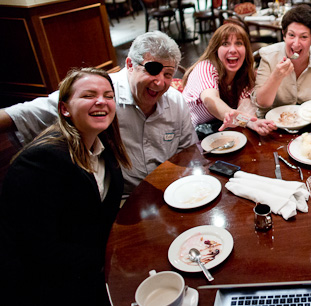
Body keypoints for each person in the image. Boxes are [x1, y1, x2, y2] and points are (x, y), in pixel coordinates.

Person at [0, 31, 197, 194]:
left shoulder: (174, 100)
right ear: (129, 65)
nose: (160, 82)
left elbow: (188, 148)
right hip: (119, 201)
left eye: (168, 74)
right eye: (153, 70)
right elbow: (24, 113)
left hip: (169, 192)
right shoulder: (100, 96)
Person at [0, 68, 131, 305]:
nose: (101, 101)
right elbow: (37, 248)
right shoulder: (41, 161)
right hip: (53, 286)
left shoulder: (103, 145)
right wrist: (107, 259)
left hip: (93, 265)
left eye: (108, 95)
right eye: (88, 95)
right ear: (64, 109)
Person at [182, 23, 276, 136]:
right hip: (188, 134)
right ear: (216, 49)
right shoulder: (205, 68)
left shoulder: (244, 75)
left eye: (239, 43)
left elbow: (244, 111)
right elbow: (210, 100)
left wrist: (252, 123)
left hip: (217, 131)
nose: (233, 50)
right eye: (225, 44)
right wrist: (231, 115)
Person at [252, 5, 311, 116]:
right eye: (291, 35)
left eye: (304, 37)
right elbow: (261, 103)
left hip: (310, 123)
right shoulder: (268, 56)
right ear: (284, 35)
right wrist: (276, 77)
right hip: (272, 123)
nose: (296, 43)